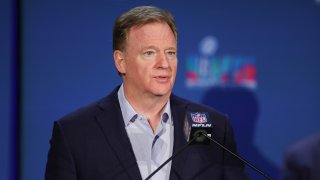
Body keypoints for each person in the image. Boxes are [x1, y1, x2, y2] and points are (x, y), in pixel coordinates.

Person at [45, 6, 249, 180]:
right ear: (121, 61)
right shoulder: (75, 133)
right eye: (149, 53)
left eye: (170, 53)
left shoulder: (214, 128)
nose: (164, 64)